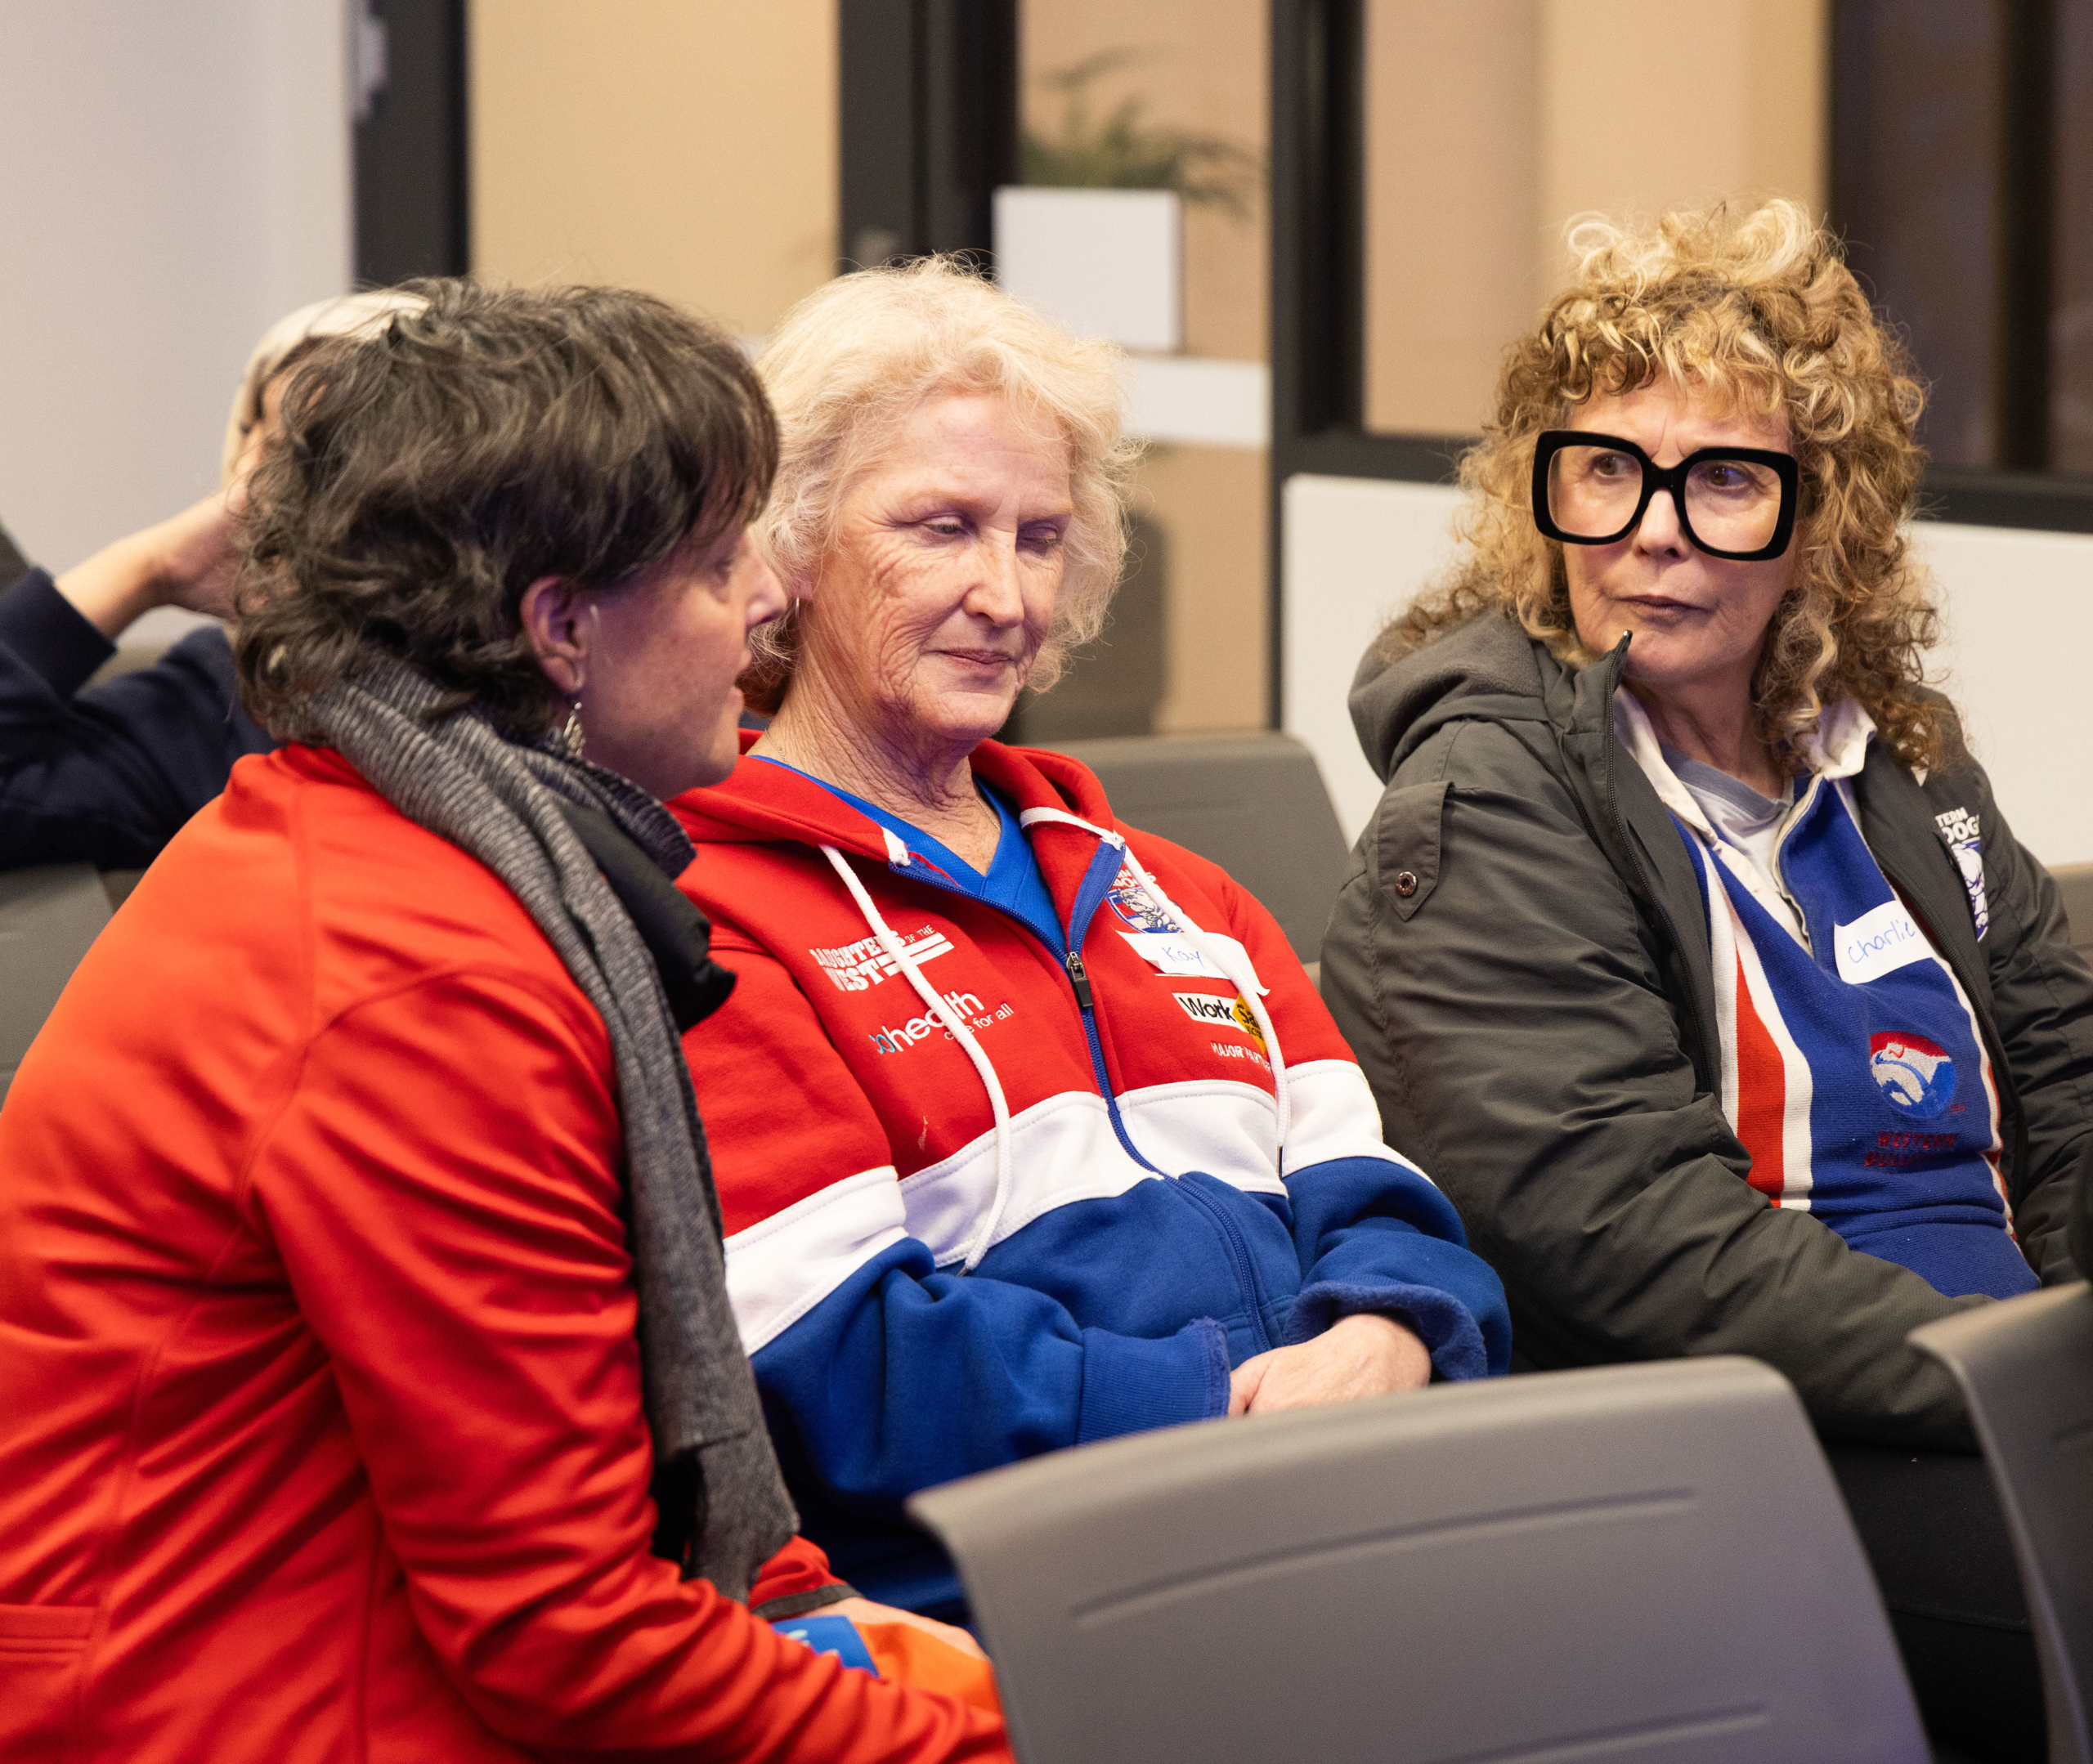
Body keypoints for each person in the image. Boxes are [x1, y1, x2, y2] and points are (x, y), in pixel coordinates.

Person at [0, 280, 1007, 1762]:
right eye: (723, 561)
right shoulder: (422, 977)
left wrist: (886, 1648)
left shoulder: (396, 835)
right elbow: (566, 1635)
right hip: (241, 1702)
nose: (770, 600)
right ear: (559, 628)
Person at [1320, 199, 2093, 1761]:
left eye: (1726, 479)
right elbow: (1634, 1242)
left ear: (1824, 521)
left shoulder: (1892, 748)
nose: (1653, 528)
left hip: (2008, 1385)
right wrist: (2026, 1393)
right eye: (1605, 468)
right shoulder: (1490, 799)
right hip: (1750, 1437)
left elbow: (2065, 1069)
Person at [667, 257, 1511, 1618]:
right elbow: (841, 1363)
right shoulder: (714, 910)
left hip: (1333, 1507)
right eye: (941, 527)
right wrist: (1220, 1407)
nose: (1007, 595)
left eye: (1040, 535)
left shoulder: (1181, 893)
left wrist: (1391, 1330)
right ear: (792, 548)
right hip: (1015, 1586)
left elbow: (1387, 1207)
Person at [0, 292, 419, 871]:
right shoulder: (224, 701)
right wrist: (149, 568)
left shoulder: (533, 675)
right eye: (274, 444)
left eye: (339, 454)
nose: (269, 479)